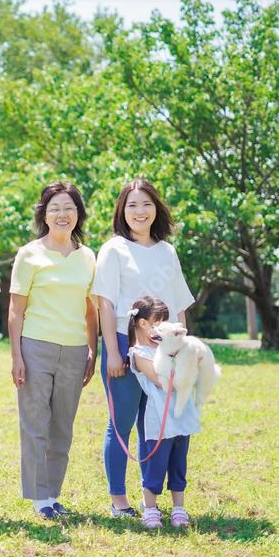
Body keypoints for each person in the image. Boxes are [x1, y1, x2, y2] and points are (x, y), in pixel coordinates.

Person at [90, 179, 194, 517]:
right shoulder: (113, 249)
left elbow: (179, 305)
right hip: (124, 343)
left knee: (155, 424)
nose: (140, 211)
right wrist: (114, 351)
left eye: (146, 204)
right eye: (132, 205)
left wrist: (183, 348)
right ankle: (119, 499)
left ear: (156, 209)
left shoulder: (167, 251)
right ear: (123, 210)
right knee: (120, 423)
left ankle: (150, 497)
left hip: (164, 349)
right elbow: (105, 305)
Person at [9, 182, 98, 520]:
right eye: (55, 208)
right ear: (44, 215)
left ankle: (53, 493)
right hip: (35, 348)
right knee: (35, 423)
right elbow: (16, 310)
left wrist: (94, 349)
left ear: (79, 215)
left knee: (63, 425)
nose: (63, 214)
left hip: (75, 351)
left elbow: (92, 310)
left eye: (69, 208)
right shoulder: (29, 254)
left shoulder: (88, 256)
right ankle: (38, 498)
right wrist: (16, 355)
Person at [126, 295, 201, 528]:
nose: (161, 330)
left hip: (181, 417)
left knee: (179, 464)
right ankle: (150, 509)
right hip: (160, 419)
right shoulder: (139, 354)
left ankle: (178, 509)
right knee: (156, 466)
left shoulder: (168, 349)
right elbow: (163, 381)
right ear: (143, 324)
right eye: (158, 323)